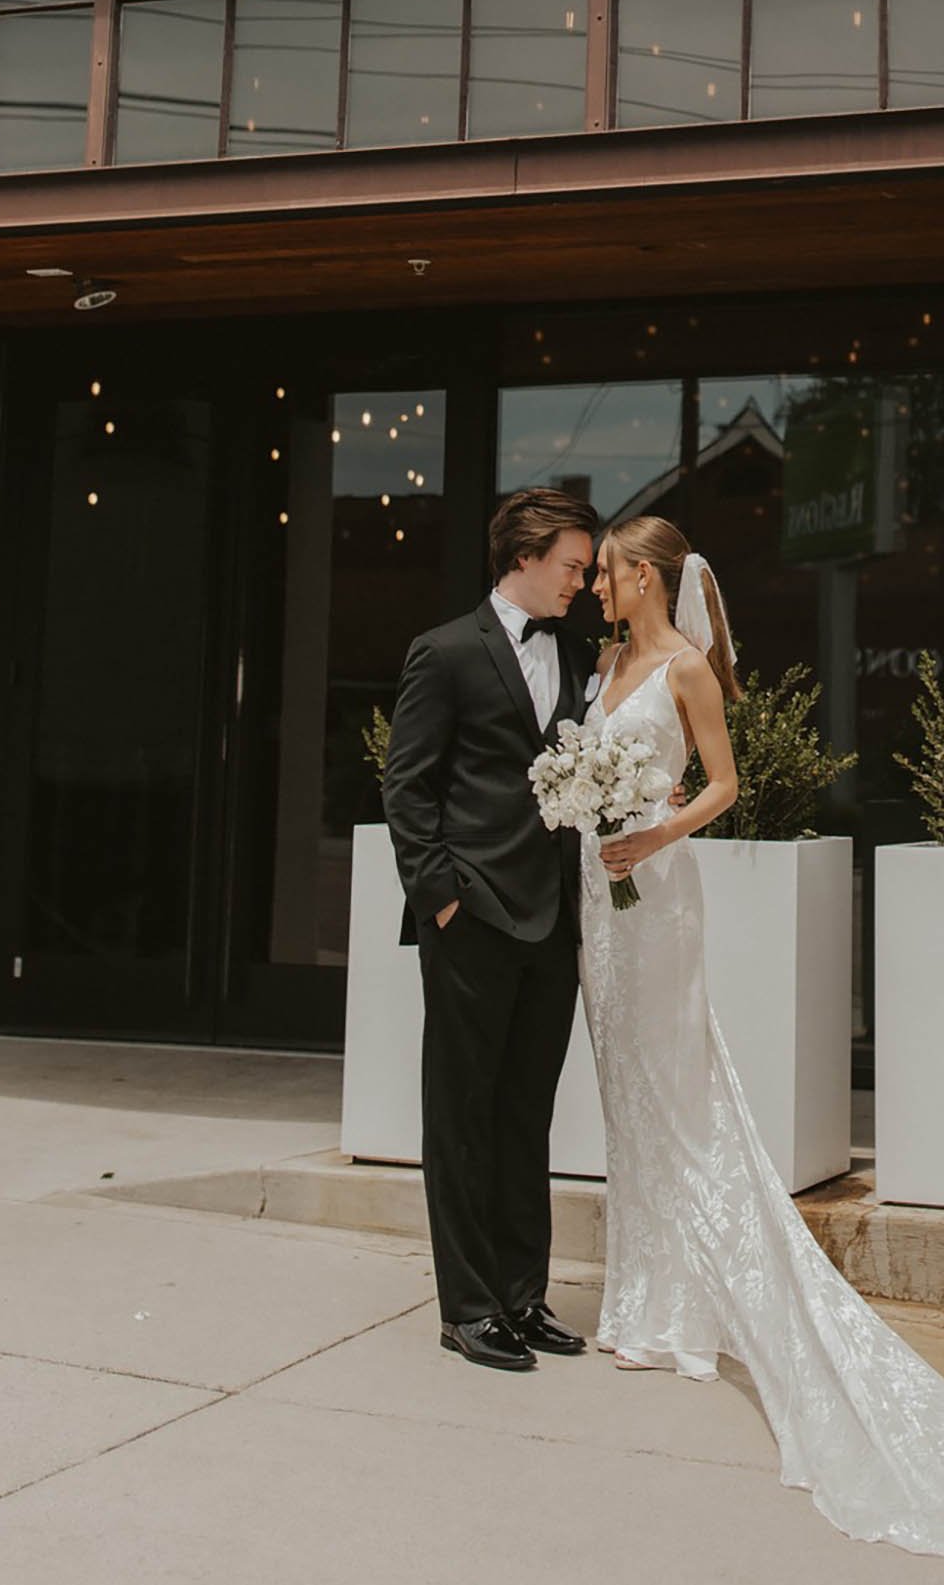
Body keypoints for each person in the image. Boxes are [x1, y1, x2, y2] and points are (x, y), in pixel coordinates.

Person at [577, 513, 944, 1565]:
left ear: (648, 578)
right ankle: (644, 1300)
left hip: (657, 896)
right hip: (597, 898)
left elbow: (723, 784)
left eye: (609, 575)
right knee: (623, 1090)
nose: (595, 589)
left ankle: (687, 1308)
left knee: (674, 1086)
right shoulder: (609, 660)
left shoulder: (683, 668)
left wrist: (657, 829)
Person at [382, 486, 597, 1374]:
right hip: (472, 917)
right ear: (523, 556)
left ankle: (522, 1295)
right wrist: (442, 899)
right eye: (572, 567)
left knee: (525, 1114)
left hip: (554, 920)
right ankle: (467, 1306)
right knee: (462, 1115)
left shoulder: (579, 653)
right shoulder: (443, 653)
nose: (581, 584)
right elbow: (408, 787)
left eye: (587, 571)